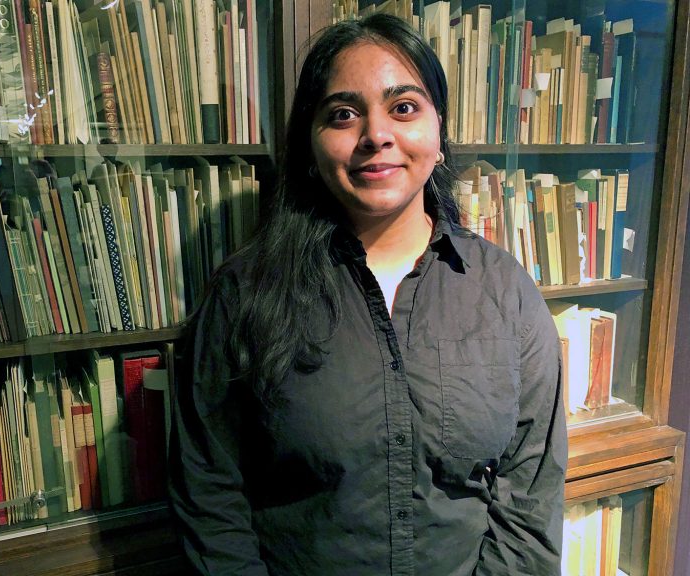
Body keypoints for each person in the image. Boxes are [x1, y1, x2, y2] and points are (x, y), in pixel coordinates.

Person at [169, 13, 567, 576]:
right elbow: (209, 493)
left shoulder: (505, 292)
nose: (376, 134)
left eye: (403, 107)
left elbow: (529, 491)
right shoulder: (245, 294)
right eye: (343, 114)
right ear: (310, 144)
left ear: (438, 132)